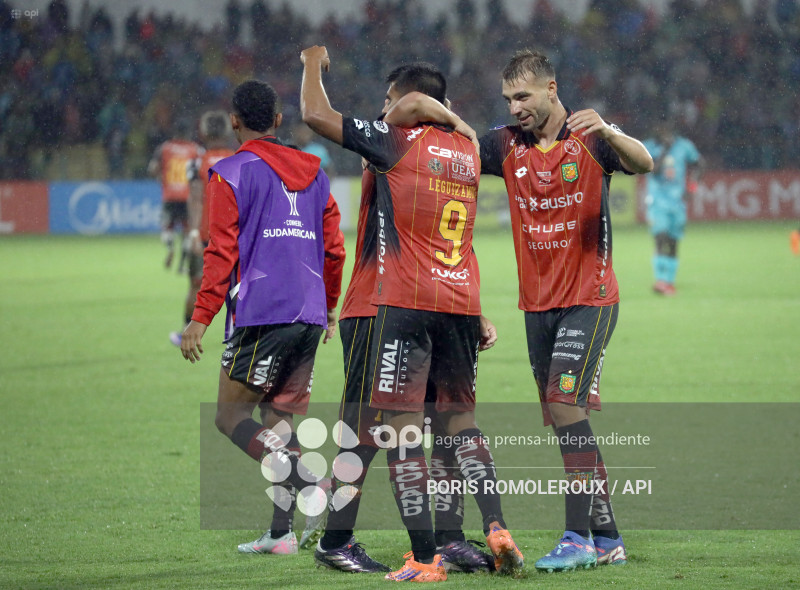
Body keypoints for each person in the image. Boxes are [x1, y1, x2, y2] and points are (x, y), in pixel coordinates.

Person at [383, 49, 653, 572]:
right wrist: (446, 116)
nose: (515, 107)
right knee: (563, 417)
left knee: (566, 404)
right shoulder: (506, 145)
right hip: (538, 306)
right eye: (508, 99)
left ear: (552, 89)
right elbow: (454, 145)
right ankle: (608, 537)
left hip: (590, 299)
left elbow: (644, 162)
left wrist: (613, 129)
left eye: (523, 96)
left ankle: (578, 535)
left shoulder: (591, 138)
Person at [300, 45, 523, 582]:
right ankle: (343, 537)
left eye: (387, 99)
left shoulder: (397, 141)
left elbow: (332, 115)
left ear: (408, 101)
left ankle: (432, 544)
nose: (381, 109)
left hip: (391, 301)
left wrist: (311, 65)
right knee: (385, 430)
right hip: (399, 305)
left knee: (395, 432)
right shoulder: (465, 152)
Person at [180, 79, 346, 556]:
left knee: (230, 416)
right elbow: (334, 249)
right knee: (280, 422)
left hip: (263, 310)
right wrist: (328, 306)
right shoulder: (316, 174)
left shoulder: (230, 172)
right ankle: (281, 533)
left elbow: (221, 251)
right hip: (309, 311)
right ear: (277, 120)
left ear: (235, 121)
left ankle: (315, 485)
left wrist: (200, 316)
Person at [169, 110, 235, 348]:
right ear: (228, 131)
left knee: (196, 285)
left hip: (206, 235)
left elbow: (195, 198)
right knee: (238, 286)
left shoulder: (197, 162)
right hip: (234, 236)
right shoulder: (238, 158)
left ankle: (186, 333)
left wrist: (194, 232)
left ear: (203, 132)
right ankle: (238, 334)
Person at [643, 122, 702, 295]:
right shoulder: (649, 147)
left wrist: (693, 186)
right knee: (660, 237)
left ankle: (669, 281)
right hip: (657, 202)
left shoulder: (684, 146)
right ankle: (660, 280)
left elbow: (700, 164)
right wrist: (664, 150)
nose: (663, 133)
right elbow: (652, 170)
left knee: (673, 242)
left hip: (677, 203)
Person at [148, 119, 202, 271]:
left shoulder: (165, 148)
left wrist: (161, 175)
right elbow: (202, 170)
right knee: (188, 231)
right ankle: (183, 263)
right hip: (187, 197)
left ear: (175, 133)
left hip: (170, 195)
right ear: (188, 133)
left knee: (167, 228)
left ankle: (170, 248)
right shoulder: (195, 149)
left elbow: (152, 168)